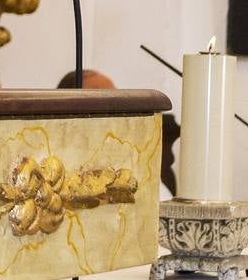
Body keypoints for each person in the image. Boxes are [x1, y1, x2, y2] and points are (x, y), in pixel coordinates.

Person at [57, 69, 178, 197]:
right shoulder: (62, 165)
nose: (115, 110)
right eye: (102, 102)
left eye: (116, 100)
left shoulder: (135, 161)